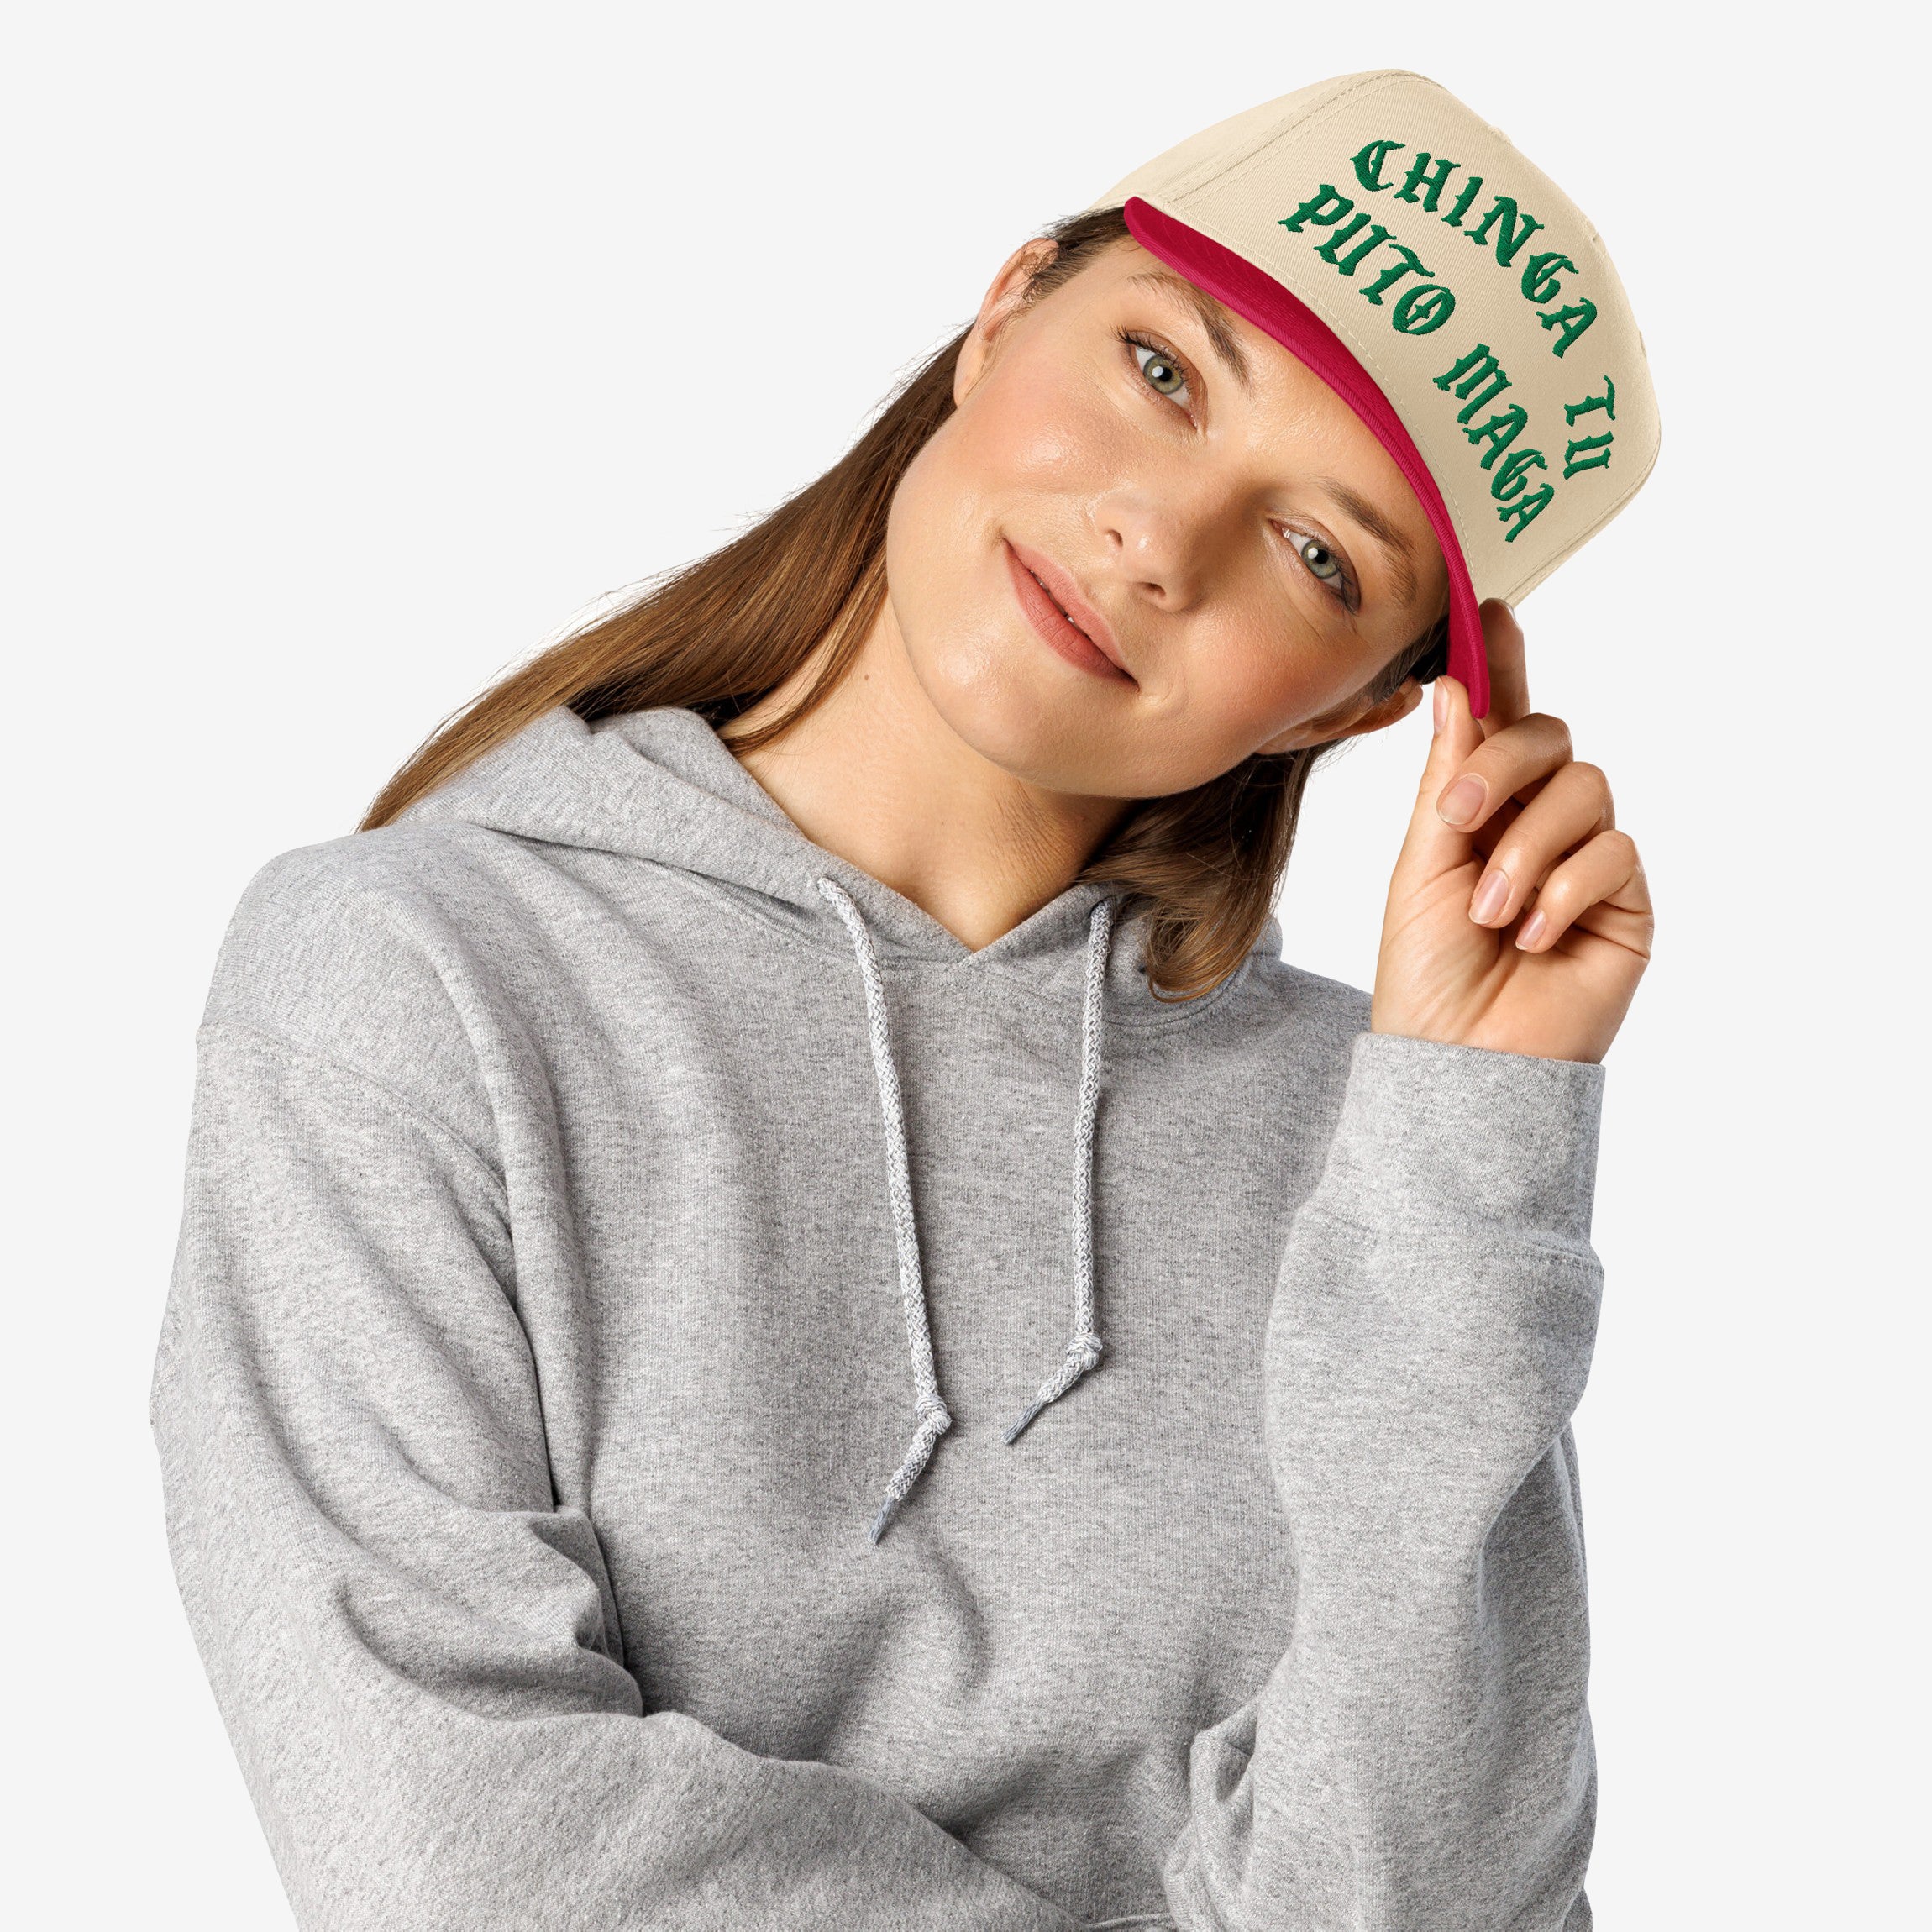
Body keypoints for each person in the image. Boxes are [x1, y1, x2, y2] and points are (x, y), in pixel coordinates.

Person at [150, 69, 1659, 1931]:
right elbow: (446, 1843)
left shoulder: (1382, 1147)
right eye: (1164, 372)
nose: (1156, 540)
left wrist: (1468, 1153)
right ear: (1008, 302)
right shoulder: (416, 978)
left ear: (1355, 708)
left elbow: (1448, 1900)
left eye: (1316, 552)